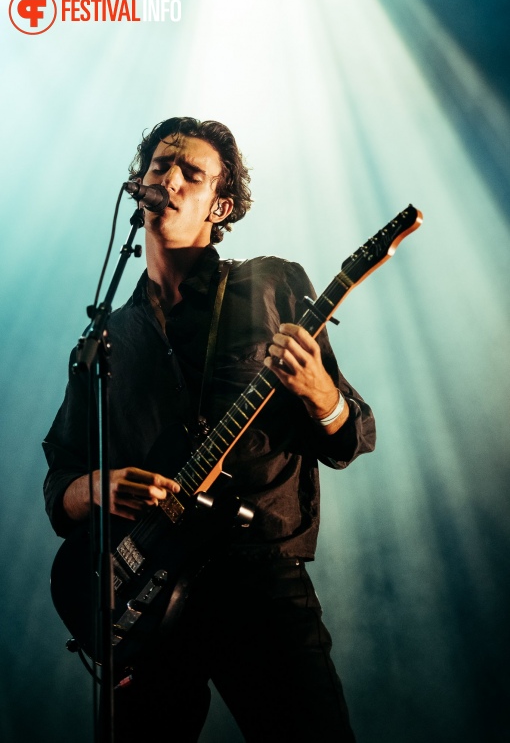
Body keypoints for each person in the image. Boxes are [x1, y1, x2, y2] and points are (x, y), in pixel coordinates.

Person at [43, 117, 376, 742]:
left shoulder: (271, 285)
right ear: (138, 184)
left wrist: (320, 394)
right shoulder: (107, 336)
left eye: (190, 173)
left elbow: (351, 436)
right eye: (159, 166)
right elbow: (58, 476)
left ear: (220, 205)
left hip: (259, 580)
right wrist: (96, 486)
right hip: (147, 589)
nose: (167, 179)